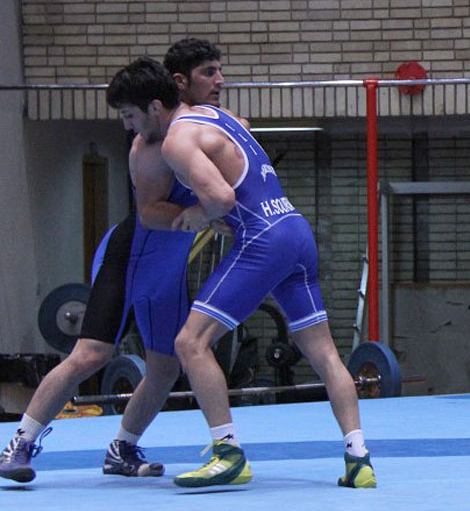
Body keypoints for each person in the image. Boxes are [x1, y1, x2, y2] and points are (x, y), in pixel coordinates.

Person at [106, 57, 376, 488]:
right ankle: (358, 459)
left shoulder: (176, 140)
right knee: (324, 353)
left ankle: (227, 453)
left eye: (129, 115)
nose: (128, 126)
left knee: (189, 342)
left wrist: (198, 215)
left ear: (155, 107)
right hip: (294, 229)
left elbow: (222, 199)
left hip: (262, 238)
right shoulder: (217, 116)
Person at [0, 39, 228, 484]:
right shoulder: (148, 147)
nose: (220, 81)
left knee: (166, 366)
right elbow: (149, 214)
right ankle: (20, 443)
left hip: (169, 266)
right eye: (209, 73)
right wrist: (202, 214)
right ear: (178, 85)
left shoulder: (204, 125)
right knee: (91, 354)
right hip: (132, 256)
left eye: (128, 114)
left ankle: (122, 448)